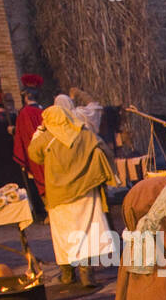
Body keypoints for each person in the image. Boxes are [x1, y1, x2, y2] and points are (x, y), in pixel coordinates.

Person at [28, 97, 117, 286]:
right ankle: (87, 274)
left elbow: (34, 154)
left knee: (64, 235)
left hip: (59, 195)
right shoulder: (83, 133)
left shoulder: (46, 138)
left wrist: (41, 132)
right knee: (86, 231)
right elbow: (103, 148)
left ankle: (68, 274)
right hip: (85, 191)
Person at [13, 86, 46, 220]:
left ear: (26, 97)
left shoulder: (25, 112)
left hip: (34, 152)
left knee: (40, 179)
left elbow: (25, 135)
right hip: (47, 150)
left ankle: (48, 210)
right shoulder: (44, 110)